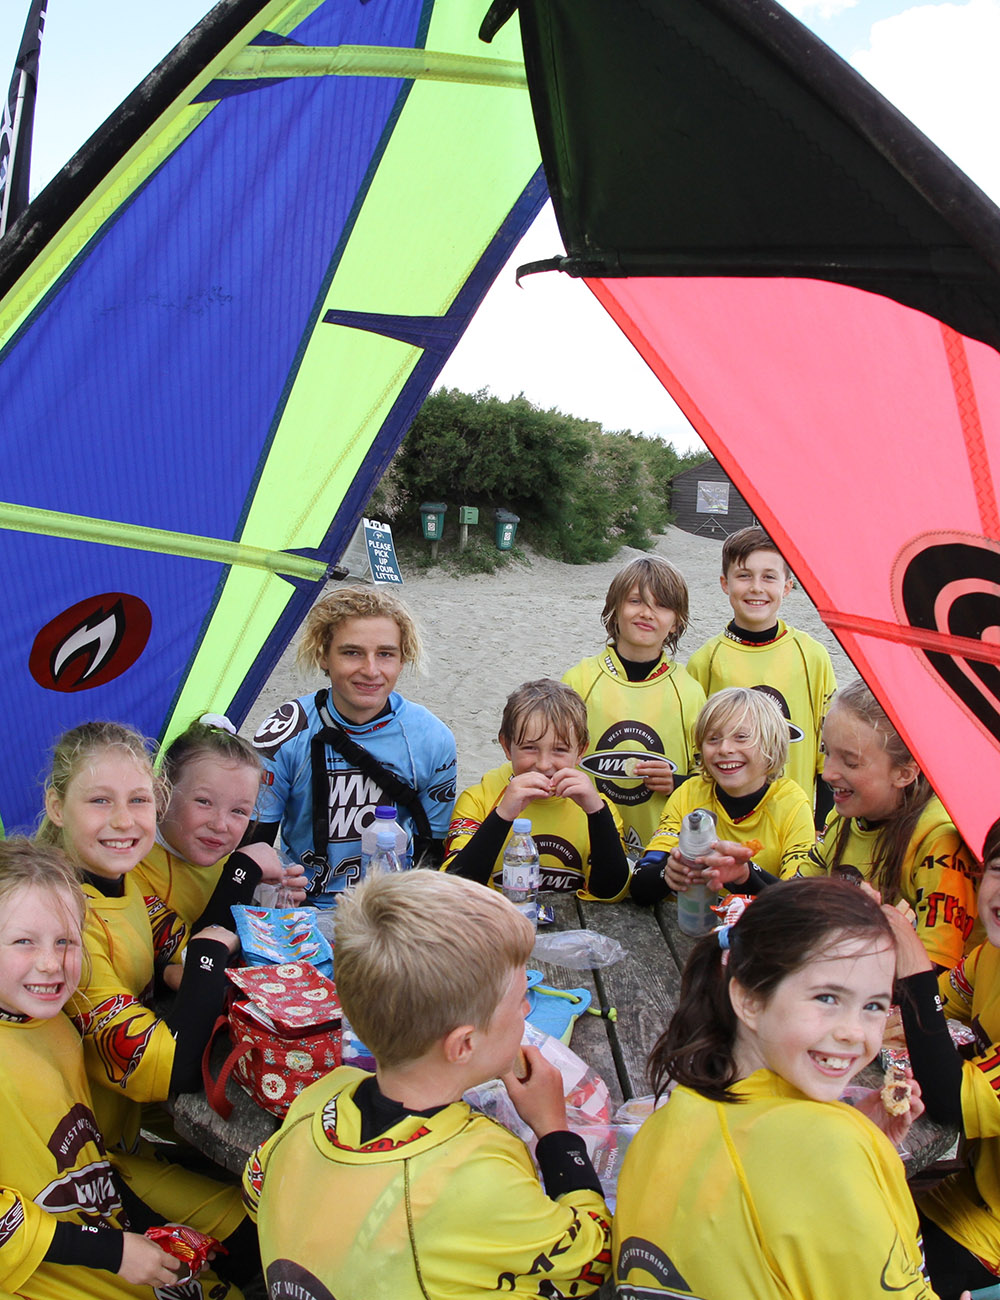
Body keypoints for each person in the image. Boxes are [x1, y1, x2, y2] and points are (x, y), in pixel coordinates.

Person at [242, 870, 612, 1298]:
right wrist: (555, 1134)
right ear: (463, 1044)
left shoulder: (321, 1095)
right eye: (518, 1002)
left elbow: (256, 1190)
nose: (527, 1009)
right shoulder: (479, 1169)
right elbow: (591, 1260)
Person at [613, 878, 935, 1299]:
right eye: (827, 998)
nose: (854, 1032)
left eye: (874, 1005)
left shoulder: (660, 1127)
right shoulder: (830, 1147)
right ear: (749, 1000)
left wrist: (867, 1152)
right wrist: (855, 1154)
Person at [38, 722, 251, 1256]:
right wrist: (209, 956)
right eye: (100, 801)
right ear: (57, 807)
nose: (123, 820)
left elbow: (176, 950)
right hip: (78, 1166)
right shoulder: (62, 931)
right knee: (256, 1232)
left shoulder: (124, 883)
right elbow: (171, 1068)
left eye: (137, 800)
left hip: (121, 1122)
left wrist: (194, 963)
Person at [0, 836, 240, 1299]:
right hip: (37, 1270)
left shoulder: (54, 1025)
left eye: (66, 941)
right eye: (24, 942)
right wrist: (113, 1251)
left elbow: (85, 1159)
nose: (51, 964)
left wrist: (149, 1227)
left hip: (93, 1210)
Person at [250, 586, 457, 905]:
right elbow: (254, 846)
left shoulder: (432, 738)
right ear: (323, 656)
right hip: (303, 905)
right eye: (352, 653)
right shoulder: (285, 731)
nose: (371, 671)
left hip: (391, 907)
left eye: (385, 654)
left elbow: (431, 853)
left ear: (403, 659)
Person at [887, 814, 1000, 1298]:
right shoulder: (990, 956)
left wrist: (914, 966)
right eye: (998, 869)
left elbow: (949, 1100)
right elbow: (919, 1013)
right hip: (961, 1195)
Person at [797, 679, 977, 970]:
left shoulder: (939, 840)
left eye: (850, 762)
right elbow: (795, 896)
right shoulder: (845, 815)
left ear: (904, 773)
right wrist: (745, 875)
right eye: (826, 751)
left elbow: (936, 966)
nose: (828, 773)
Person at [685, 526, 837, 823]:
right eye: (744, 575)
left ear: (787, 586)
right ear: (725, 583)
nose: (756, 587)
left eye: (769, 577)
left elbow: (827, 749)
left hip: (792, 820)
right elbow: (696, 754)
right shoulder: (705, 661)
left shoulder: (812, 656)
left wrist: (822, 822)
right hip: (723, 821)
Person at [562, 556, 705, 858]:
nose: (646, 613)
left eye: (661, 605)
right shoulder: (579, 680)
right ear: (614, 609)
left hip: (660, 849)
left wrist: (676, 782)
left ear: (676, 622)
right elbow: (554, 760)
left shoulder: (689, 692)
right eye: (636, 601)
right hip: (584, 842)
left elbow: (708, 777)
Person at [443, 679, 630, 899]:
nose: (543, 764)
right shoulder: (478, 799)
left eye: (559, 749)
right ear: (506, 746)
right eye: (530, 748)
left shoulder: (598, 807)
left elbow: (611, 891)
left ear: (581, 751)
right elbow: (454, 888)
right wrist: (502, 816)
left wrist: (597, 813)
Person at [631, 687, 814, 904]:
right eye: (713, 738)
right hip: (688, 921)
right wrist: (667, 873)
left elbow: (799, 903)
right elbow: (640, 886)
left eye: (741, 737)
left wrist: (744, 875)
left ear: (772, 744)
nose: (725, 749)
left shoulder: (792, 804)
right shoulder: (689, 793)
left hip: (759, 923)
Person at [133, 714, 306, 938]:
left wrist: (265, 904)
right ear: (161, 794)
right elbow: (193, 955)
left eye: (239, 811)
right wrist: (243, 871)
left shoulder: (222, 859)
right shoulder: (132, 868)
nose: (220, 825)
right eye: (204, 802)